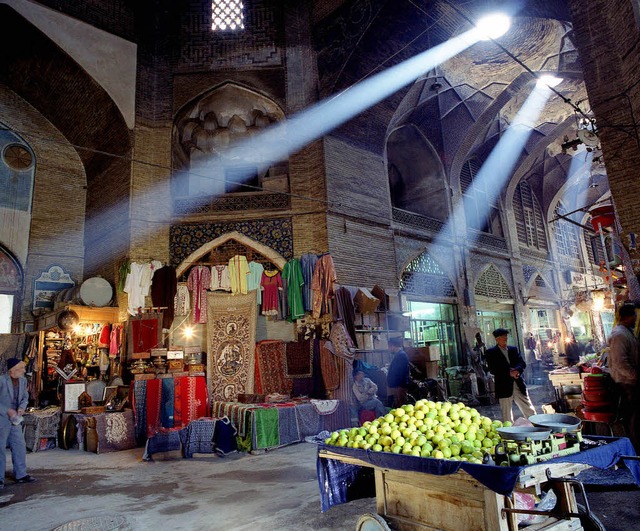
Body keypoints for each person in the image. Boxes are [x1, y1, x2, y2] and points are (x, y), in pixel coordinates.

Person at [484, 328, 536, 423]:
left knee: (529, 409)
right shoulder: (491, 352)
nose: (505, 339)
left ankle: (536, 426)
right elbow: (493, 369)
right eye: (503, 337)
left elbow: (522, 363)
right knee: (506, 415)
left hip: (517, 383)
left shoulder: (513, 350)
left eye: (506, 337)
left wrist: (517, 371)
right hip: (503, 386)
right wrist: (508, 372)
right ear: (497, 339)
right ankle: (510, 433)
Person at [607, 303, 639, 452]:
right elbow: (621, 363)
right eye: (634, 316)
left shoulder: (626, 332)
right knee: (632, 418)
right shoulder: (620, 334)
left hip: (630, 382)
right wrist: (635, 376)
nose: (636, 319)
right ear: (628, 317)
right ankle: (635, 449)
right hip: (626, 384)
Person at [1, 358, 36, 489]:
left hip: (15, 418)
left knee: (19, 445)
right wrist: (7, 410)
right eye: (21, 368)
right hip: (2, 418)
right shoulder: (1, 380)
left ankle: (21, 474)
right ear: (12, 370)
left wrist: (22, 407)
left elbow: (25, 397)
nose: (24, 371)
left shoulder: (23, 380)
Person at [387, 336, 409, 407]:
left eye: (389, 347)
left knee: (401, 405)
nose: (389, 349)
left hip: (399, 386)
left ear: (393, 346)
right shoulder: (399, 355)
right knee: (399, 403)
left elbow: (400, 373)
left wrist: (397, 386)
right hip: (397, 386)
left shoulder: (401, 355)